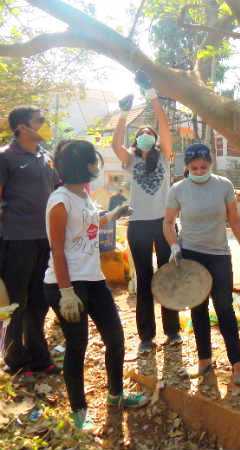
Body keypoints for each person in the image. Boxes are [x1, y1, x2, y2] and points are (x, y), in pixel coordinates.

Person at [44, 139, 148, 430]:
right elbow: (57, 250)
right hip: (67, 283)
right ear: (83, 165)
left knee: (115, 338)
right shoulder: (60, 201)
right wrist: (66, 292)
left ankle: (116, 395)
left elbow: (90, 223)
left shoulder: (83, 195)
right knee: (77, 345)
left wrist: (113, 215)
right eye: (92, 160)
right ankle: (79, 412)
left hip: (93, 279)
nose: (95, 165)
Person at [163, 143, 240, 385]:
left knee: (224, 308)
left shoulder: (224, 185)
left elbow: (234, 220)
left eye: (204, 167)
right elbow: (168, 222)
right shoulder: (178, 189)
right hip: (191, 256)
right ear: (187, 167)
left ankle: (237, 363)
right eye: (194, 168)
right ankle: (204, 361)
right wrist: (174, 246)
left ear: (210, 164)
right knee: (198, 309)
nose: (199, 171)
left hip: (219, 256)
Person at [111, 71, 180, 353]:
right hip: (138, 225)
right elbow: (115, 143)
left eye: (149, 134)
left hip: (164, 224)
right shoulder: (130, 160)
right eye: (141, 135)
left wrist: (151, 95)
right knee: (144, 278)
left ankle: (173, 332)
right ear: (136, 141)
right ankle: (146, 337)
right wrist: (124, 113)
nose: (146, 136)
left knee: (167, 277)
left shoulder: (164, 156)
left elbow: (164, 125)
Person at [0, 106, 59, 377]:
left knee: (39, 300)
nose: (45, 124)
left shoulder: (45, 157)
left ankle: (39, 357)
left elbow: (57, 190)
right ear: (22, 127)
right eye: (40, 121)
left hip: (44, 239)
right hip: (16, 240)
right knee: (15, 302)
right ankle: (15, 359)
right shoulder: (6, 157)